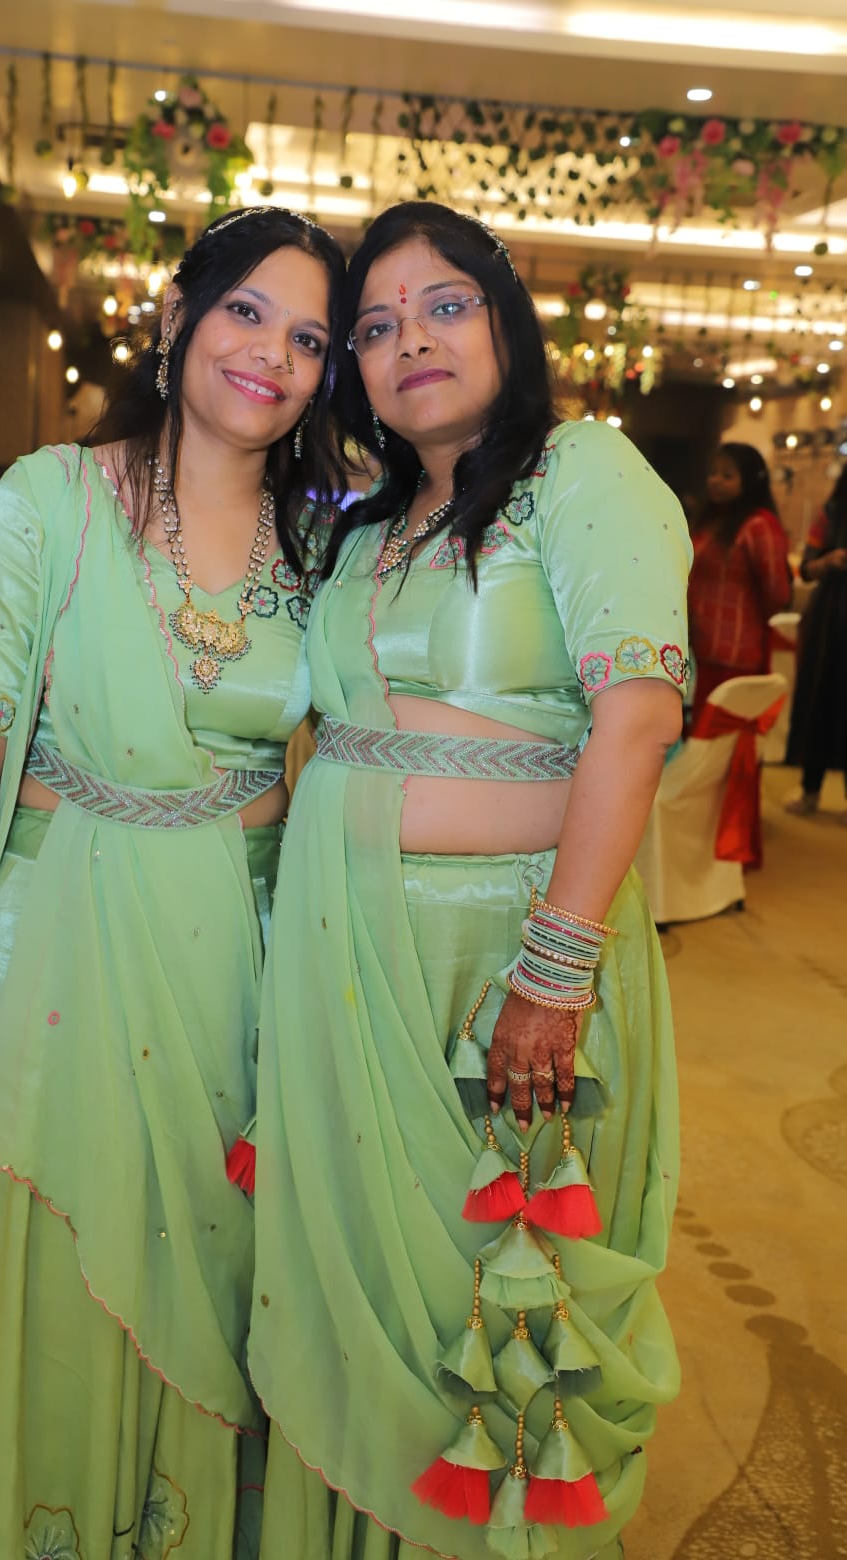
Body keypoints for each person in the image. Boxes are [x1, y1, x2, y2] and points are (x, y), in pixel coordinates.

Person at [0, 207, 344, 1559]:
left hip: (232, 980)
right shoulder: (50, 499)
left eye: (308, 339)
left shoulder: (320, 551)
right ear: (177, 319)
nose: (272, 355)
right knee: (39, 1274)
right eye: (246, 313)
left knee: (202, 1278)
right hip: (52, 955)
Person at [251, 202, 690, 1560]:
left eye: (444, 305)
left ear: (507, 321)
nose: (410, 342)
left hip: (500, 958)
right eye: (375, 327)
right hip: (344, 953)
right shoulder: (367, 525)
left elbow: (637, 719)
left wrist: (554, 968)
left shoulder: (582, 472)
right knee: (351, 1284)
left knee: (497, 1316)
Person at [687, 442, 791, 717]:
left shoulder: (759, 524)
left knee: (721, 733)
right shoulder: (711, 522)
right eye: (713, 473)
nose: (715, 480)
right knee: (700, 732)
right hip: (701, 648)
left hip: (736, 653)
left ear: (749, 481)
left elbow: (777, 593)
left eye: (727, 475)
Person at [785, 464, 847, 816]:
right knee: (819, 699)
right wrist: (830, 560)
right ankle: (811, 789)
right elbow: (806, 569)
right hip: (829, 623)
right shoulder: (831, 514)